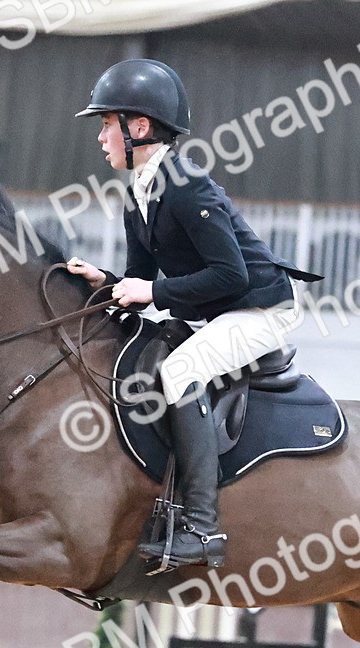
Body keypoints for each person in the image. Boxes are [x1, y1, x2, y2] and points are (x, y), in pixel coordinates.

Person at [66, 58, 322, 568]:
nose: (100, 137)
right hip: (220, 311)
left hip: (261, 308)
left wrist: (150, 291)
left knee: (181, 370)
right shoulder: (138, 195)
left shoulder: (185, 183)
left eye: (106, 124)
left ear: (139, 128)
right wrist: (108, 283)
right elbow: (143, 279)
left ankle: (203, 528)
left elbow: (231, 276)